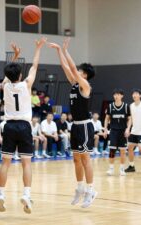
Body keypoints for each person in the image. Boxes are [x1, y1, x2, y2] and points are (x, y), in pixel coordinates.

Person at [0, 38, 47, 214]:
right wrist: (38, 48)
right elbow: (34, 66)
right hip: (24, 127)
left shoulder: (4, 86)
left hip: (9, 126)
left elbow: (7, 72)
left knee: (5, 163)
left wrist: (16, 56)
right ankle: (26, 194)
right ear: (20, 75)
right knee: (26, 163)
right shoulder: (26, 84)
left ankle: (1, 194)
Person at [48, 38, 97, 208]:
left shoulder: (85, 85)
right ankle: (80, 188)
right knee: (76, 160)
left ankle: (91, 190)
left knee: (85, 159)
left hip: (84, 125)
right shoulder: (75, 83)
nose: (78, 72)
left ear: (85, 74)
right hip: (75, 126)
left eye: (81, 71)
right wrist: (59, 51)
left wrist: (66, 50)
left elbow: (73, 69)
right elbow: (66, 68)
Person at [103, 89, 131, 176]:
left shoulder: (126, 106)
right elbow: (107, 118)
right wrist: (105, 129)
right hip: (113, 131)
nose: (116, 96)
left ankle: (122, 169)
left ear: (122, 96)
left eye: (118, 94)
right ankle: (111, 168)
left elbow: (130, 119)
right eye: (115, 94)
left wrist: (128, 129)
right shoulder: (110, 106)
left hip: (123, 131)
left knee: (123, 151)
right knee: (112, 150)